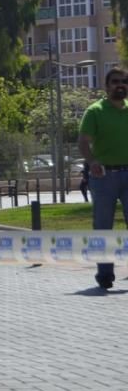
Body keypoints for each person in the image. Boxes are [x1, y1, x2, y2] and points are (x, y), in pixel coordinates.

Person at [77, 67, 128, 290]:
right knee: (103, 226)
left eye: (124, 82)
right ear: (107, 87)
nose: (120, 85)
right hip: (104, 176)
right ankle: (105, 274)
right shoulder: (95, 111)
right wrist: (92, 162)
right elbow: (83, 142)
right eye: (115, 82)